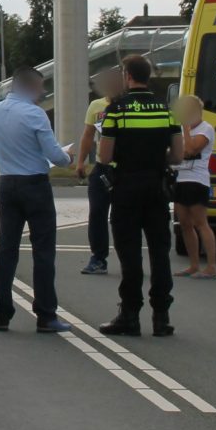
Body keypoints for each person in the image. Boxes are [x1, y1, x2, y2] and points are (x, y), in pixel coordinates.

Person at [0, 66, 75, 333]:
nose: (42, 93)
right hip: (35, 185)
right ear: (30, 87)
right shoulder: (35, 114)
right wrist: (69, 158)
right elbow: (54, 155)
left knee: (6, 250)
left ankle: (2, 314)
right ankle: (46, 315)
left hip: (7, 184)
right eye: (40, 88)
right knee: (43, 251)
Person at [96, 55, 182, 337]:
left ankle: (130, 315)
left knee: (129, 253)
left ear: (127, 75)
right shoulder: (166, 110)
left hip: (126, 187)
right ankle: (161, 317)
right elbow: (178, 155)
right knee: (160, 252)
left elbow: (104, 156)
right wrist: (154, 158)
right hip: (157, 186)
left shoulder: (117, 110)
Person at [75, 67, 124, 276]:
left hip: (124, 169)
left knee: (122, 217)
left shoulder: (128, 105)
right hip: (102, 168)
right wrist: (81, 162)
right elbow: (88, 135)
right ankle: (98, 258)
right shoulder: (96, 106)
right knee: (97, 213)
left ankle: (128, 258)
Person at [172, 95, 216, 279]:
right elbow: (176, 152)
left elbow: (191, 150)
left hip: (197, 180)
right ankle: (194, 265)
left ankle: (211, 267)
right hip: (181, 179)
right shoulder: (183, 130)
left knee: (200, 222)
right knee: (184, 223)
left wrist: (185, 128)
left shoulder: (206, 129)